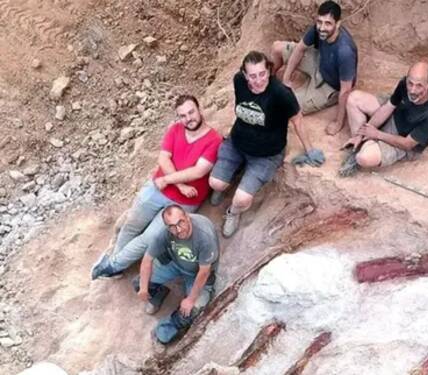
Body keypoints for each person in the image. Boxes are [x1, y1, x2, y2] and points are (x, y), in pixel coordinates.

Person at [91, 95, 223, 279]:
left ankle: (113, 265)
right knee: (132, 224)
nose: (188, 118)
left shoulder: (213, 139)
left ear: (199, 110)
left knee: (150, 238)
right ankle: (118, 266)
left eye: (191, 112)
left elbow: (199, 171)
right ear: (178, 117)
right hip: (159, 187)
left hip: (183, 201)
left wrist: (169, 181)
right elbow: (163, 158)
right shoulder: (175, 129)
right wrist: (178, 184)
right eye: (183, 115)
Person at [208, 51, 323, 238]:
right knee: (216, 183)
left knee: (241, 199)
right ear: (245, 75)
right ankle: (230, 177)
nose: (259, 80)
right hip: (237, 142)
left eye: (262, 74)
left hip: (266, 154)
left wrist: (309, 150)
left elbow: (298, 119)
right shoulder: (238, 81)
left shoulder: (281, 93)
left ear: (268, 70)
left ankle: (233, 212)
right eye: (252, 76)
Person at [339, 60, 428, 176]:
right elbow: (389, 107)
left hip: (403, 140)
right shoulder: (404, 84)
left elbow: (407, 144)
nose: (413, 90)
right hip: (396, 116)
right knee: (354, 99)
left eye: (419, 85)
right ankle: (361, 141)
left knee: (363, 158)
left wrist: (377, 134)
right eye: (410, 83)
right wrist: (361, 133)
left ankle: (365, 146)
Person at [133, 205, 219, 344]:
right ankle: (158, 296)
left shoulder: (204, 236)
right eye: (172, 226)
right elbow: (147, 260)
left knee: (189, 312)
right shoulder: (166, 233)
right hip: (175, 265)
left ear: (187, 217)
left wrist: (191, 299)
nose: (178, 230)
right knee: (139, 282)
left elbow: (204, 272)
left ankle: (162, 333)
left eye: (181, 222)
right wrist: (143, 288)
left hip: (198, 274)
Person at [271, 0, 358, 135]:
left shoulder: (345, 52)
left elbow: (346, 90)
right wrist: (286, 80)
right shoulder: (319, 29)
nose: (322, 27)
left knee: (283, 105)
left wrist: (338, 123)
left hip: (329, 85)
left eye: (328, 23)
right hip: (320, 61)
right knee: (277, 47)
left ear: (338, 23)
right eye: (320, 22)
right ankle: (270, 78)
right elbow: (300, 49)